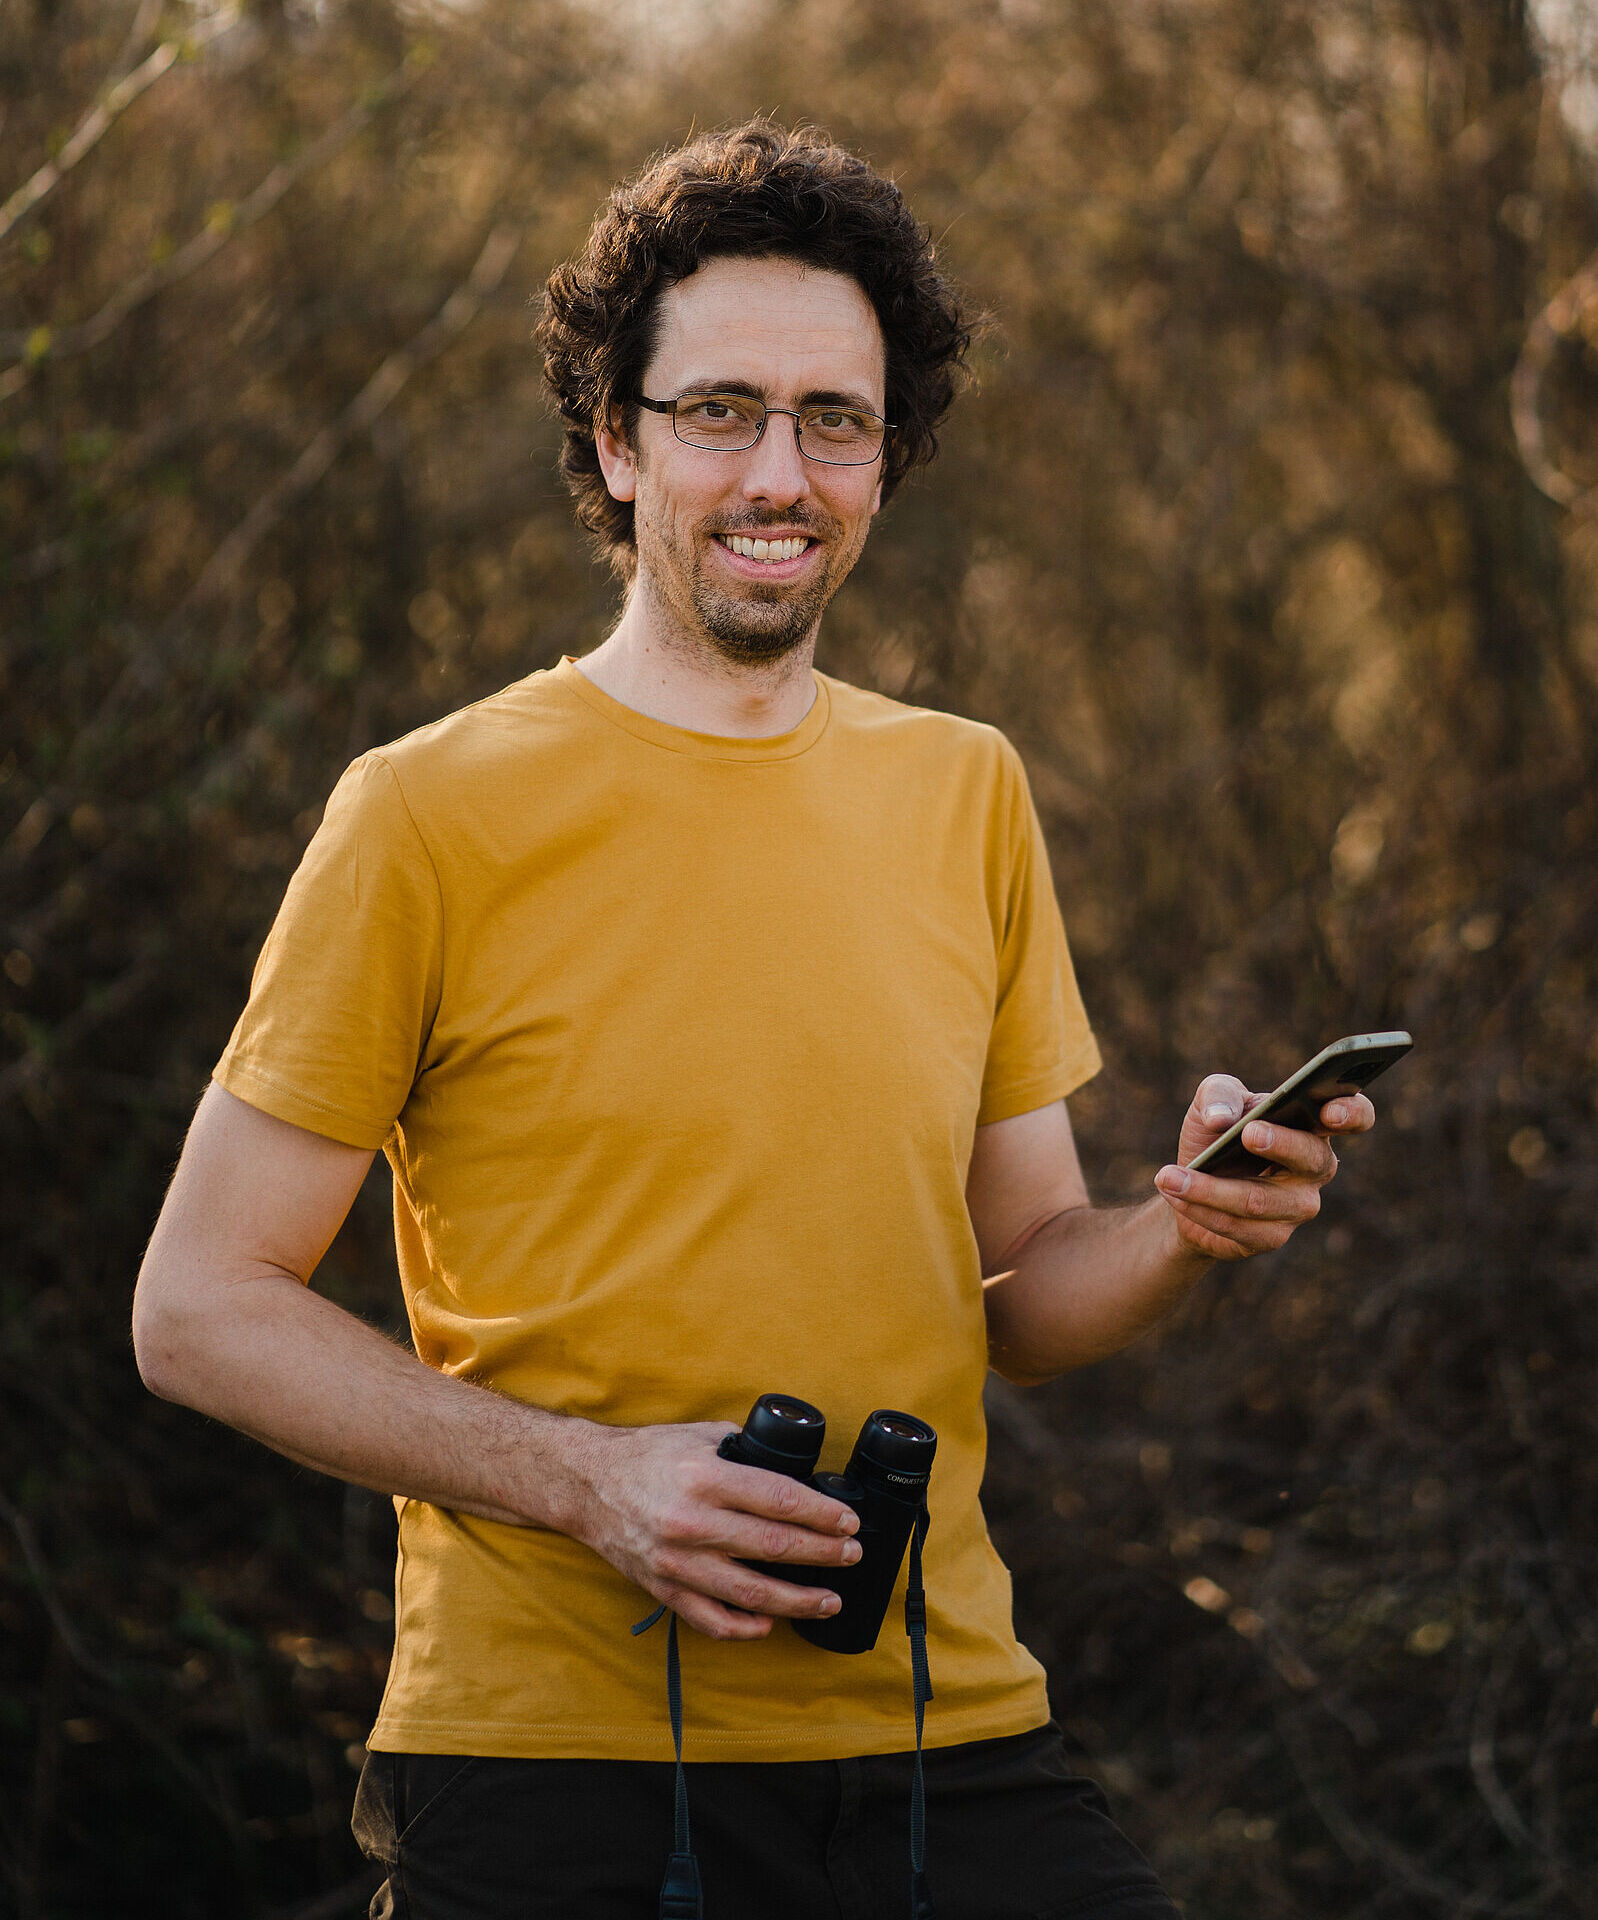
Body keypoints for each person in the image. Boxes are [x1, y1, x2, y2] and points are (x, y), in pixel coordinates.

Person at [133, 121, 1376, 1920]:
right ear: (617, 441)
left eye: (835, 420)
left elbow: (1023, 1286)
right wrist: (591, 1483)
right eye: (720, 411)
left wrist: (1185, 1230)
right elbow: (196, 1309)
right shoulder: (424, 812)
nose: (778, 472)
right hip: (555, 1775)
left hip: (948, 1742)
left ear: (888, 456)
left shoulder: (965, 789)